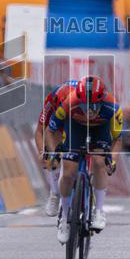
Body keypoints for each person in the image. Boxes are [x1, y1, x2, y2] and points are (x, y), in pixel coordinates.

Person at [45, 76, 122, 243]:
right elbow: (50, 132)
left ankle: (99, 211)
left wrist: (112, 159)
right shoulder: (68, 103)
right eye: (84, 105)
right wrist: (53, 154)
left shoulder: (113, 107)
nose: (88, 111)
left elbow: (118, 140)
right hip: (75, 127)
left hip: (100, 129)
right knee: (68, 172)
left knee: (99, 161)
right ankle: (65, 219)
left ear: (101, 101)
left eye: (93, 106)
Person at [38, 79, 79, 217]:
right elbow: (40, 131)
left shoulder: (83, 99)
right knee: (52, 152)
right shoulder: (51, 100)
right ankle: (54, 194)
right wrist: (43, 154)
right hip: (57, 129)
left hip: (80, 122)